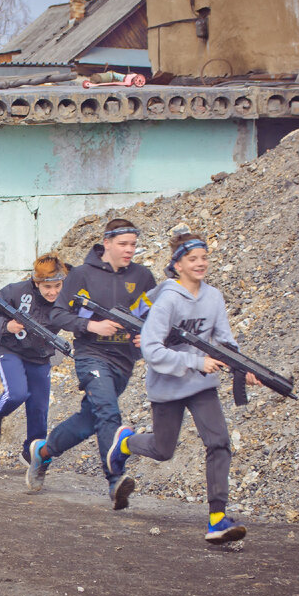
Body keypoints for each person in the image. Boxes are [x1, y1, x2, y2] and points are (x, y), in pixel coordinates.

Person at [106, 232, 259, 543]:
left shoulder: (213, 297)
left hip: (202, 386)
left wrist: (244, 367)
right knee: (163, 450)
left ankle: (217, 519)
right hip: (168, 385)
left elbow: (224, 339)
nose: (201, 263)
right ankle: (124, 443)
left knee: (219, 443)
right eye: (193, 259)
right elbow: (150, 349)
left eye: (204, 257)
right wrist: (195, 362)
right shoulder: (168, 300)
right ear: (177, 265)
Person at [28, 218, 157, 507]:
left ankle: (44, 452)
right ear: (106, 243)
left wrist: (145, 337)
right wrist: (93, 327)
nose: (129, 250)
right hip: (91, 356)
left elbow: (153, 318)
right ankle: (115, 481)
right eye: (123, 244)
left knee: (90, 421)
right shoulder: (82, 275)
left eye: (133, 244)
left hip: (124, 361)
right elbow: (57, 315)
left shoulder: (144, 276)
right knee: (109, 413)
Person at [0, 255, 69, 488]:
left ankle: (31, 454)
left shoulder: (65, 300)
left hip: (40, 356)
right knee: (17, 393)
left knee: (39, 410)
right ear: (36, 282)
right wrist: (6, 325)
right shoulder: (15, 291)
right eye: (47, 287)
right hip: (9, 348)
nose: (52, 292)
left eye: (57, 286)